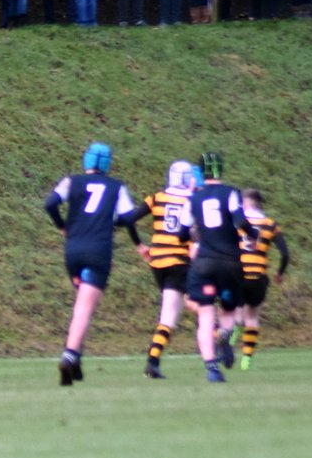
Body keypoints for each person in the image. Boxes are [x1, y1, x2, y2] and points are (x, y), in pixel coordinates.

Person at [44, 142, 142, 386]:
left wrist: (62, 226)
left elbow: (50, 203)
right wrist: (135, 235)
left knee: (81, 303)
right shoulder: (116, 187)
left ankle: (76, 360)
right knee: (85, 308)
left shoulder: (72, 181)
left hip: (73, 251)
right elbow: (128, 218)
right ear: (108, 164)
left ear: (86, 160)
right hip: (98, 251)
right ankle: (70, 355)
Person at [185, 151, 253, 383]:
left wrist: (197, 236)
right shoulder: (231, 193)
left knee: (205, 313)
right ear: (220, 169)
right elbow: (240, 220)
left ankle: (212, 368)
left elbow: (182, 232)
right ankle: (224, 333)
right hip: (230, 262)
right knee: (228, 309)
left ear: (202, 172)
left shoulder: (194, 198)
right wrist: (253, 236)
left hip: (204, 262)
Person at [138, 160, 195, 379]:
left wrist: (139, 244)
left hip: (158, 263)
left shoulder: (157, 197)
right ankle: (219, 337)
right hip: (179, 261)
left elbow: (129, 219)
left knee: (171, 312)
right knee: (197, 304)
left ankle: (153, 362)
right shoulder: (193, 200)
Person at [235, 188, 289, 370]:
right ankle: (246, 359)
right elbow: (285, 253)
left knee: (233, 313)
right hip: (258, 276)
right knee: (252, 316)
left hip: (239, 273)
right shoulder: (270, 224)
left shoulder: (237, 222)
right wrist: (280, 272)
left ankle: (229, 341)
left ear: (245, 202)